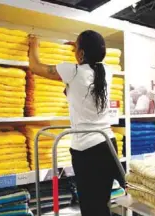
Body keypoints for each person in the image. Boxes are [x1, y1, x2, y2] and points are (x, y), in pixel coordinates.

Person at [28, 30, 120, 216]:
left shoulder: (72, 71)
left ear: (82, 53)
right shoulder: (106, 72)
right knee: (102, 205)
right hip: (108, 145)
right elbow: (89, 62)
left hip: (87, 151)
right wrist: (78, 48)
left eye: (77, 47)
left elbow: (35, 67)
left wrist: (34, 42)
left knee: (89, 207)